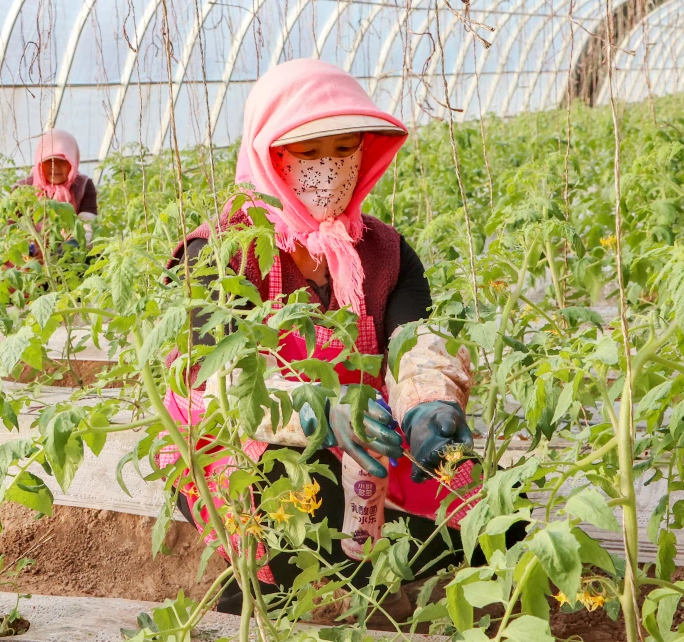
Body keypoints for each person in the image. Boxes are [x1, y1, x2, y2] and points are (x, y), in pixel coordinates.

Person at [159, 60, 481, 615]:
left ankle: (380, 573)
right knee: (292, 513)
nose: (328, 168)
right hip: (239, 447)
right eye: (307, 153)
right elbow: (221, 385)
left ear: (366, 150)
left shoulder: (384, 251)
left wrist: (431, 405)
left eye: (343, 147)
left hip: (363, 441)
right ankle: (256, 599)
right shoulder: (219, 254)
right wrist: (311, 409)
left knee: (492, 512)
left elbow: (413, 342)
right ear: (270, 156)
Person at [16, 129, 98, 249]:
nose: (55, 167)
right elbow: (14, 229)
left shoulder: (83, 185)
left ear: (73, 162)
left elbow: (87, 224)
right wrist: (31, 249)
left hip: (71, 256)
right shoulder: (23, 189)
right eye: (49, 161)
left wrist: (72, 245)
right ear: (39, 162)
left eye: (63, 161)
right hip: (31, 258)